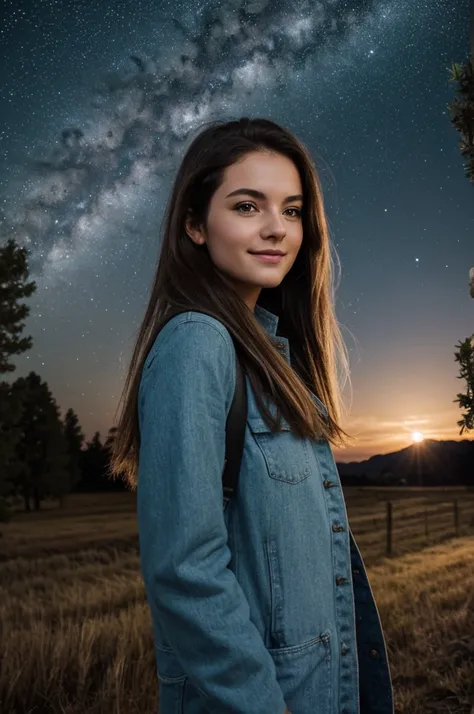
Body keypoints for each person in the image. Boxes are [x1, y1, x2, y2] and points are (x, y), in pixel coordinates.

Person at [109, 117, 394, 714]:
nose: (277, 230)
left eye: (292, 211)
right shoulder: (196, 343)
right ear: (193, 223)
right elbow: (186, 572)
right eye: (247, 206)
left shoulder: (270, 356)